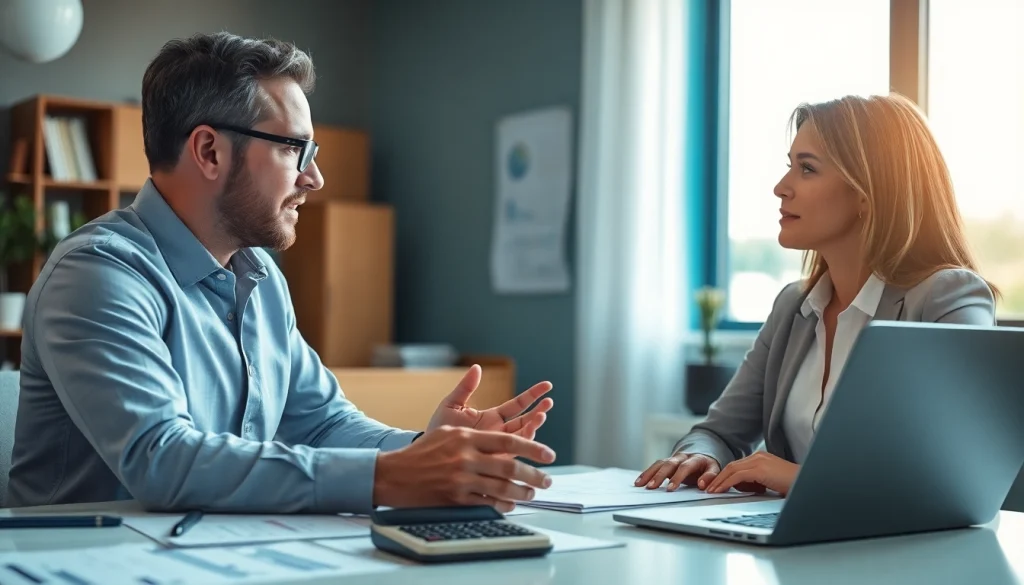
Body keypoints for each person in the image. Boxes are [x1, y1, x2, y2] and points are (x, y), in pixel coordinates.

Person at [6, 32, 556, 513]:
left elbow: (321, 423)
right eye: (297, 149)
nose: (314, 178)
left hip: (222, 554)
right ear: (209, 151)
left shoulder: (260, 275)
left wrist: (423, 448)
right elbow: (162, 458)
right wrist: (388, 477)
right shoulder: (98, 274)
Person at [637, 93, 997, 497]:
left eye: (807, 169)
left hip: (908, 552)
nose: (780, 187)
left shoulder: (947, 299)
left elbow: (955, 473)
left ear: (866, 192)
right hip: (797, 545)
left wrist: (797, 479)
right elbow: (718, 432)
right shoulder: (793, 306)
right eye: (789, 166)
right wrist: (703, 457)